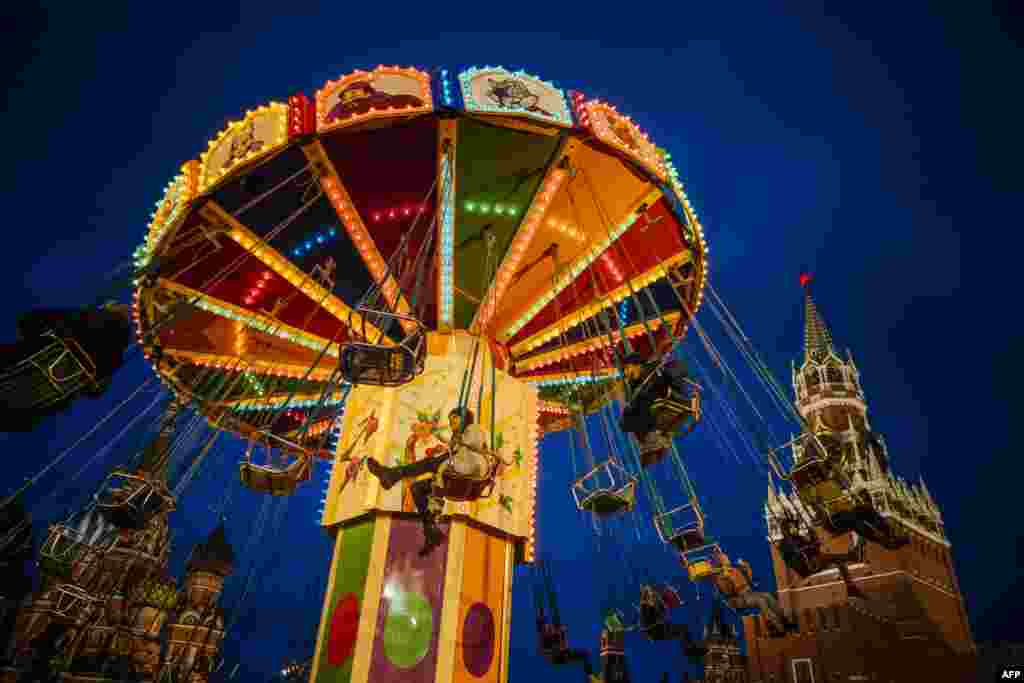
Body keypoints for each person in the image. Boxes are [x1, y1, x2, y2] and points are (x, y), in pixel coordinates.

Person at [365, 407, 509, 556]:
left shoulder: (474, 429)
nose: (452, 424)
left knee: (432, 463)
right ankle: (431, 531)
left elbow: (472, 443)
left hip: (471, 470)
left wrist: (449, 438)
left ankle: (393, 475)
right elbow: (457, 448)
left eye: (454, 420)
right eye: (450, 422)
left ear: (464, 418)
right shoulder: (460, 435)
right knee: (417, 488)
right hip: (457, 477)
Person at [1, 302, 133, 431]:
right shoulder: (117, 357)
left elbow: (29, 320)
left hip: (25, 366)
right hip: (39, 400)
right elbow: (96, 391)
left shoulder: (92, 317)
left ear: (110, 309)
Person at [618, 348, 692, 464]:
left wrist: (668, 376)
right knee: (626, 422)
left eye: (627, 368)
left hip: (671, 401)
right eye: (624, 370)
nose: (626, 373)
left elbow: (680, 367)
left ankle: (654, 440)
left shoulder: (657, 369)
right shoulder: (634, 387)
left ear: (637, 365)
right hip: (656, 411)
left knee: (643, 405)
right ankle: (652, 442)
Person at [710, 549, 795, 635]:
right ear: (719, 561)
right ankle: (775, 626)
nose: (727, 559)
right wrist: (727, 579)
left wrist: (746, 568)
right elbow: (728, 593)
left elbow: (749, 580)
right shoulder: (719, 576)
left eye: (726, 557)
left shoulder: (733, 569)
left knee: (768, 596)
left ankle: (784, 620)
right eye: (724, 558)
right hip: (737, 599)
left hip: (748, 593)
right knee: (760, 601)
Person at [776, 516, 865, 598]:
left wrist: (813, 538)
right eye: (791, 527)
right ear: (786, 529)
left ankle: (851, 588)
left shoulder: (799, 538)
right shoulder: (784, 543)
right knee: (826, 557)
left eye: (794, 526)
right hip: (805, 568)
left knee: (839, 562)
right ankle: (853, 556)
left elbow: (814, 550)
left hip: (813, 562)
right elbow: (791, 559)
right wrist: (803, 551)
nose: (794, 528)